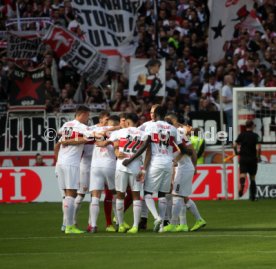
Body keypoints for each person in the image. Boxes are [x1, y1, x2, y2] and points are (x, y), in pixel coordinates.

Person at [122, 106, 192, 232]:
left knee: (147, 193)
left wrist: (131, 159)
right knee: (162, 195)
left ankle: (157, 217)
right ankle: (161, 227)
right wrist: (189, 141)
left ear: (157, 114)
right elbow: (184, 149)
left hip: (155, 163)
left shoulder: (151, 126)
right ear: (165, 114)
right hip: (168, 164)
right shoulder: (172, 129)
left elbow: (144, 146)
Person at [164, 114, 206, 232]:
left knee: (177, 195)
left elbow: (188, 150)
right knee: (182, 196)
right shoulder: (177, 133)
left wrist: (175, 161)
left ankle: (173, 223)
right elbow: (190, 150)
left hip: (183, 168)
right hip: (184, 167)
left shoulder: (177, 133)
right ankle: (186, 223)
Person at [109, 113, 147, 234]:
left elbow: (110, 141)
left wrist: (116, 150)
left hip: (121, 166)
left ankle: (120, 225)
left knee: (120, 195)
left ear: (129, 122)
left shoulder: (120, 132)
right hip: (135, 167)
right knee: (136, 196)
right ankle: (135, 226)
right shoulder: (143, 134)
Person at [55, 105, 91, 234]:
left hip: (60, 163)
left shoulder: (65, 125)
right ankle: (70, 226)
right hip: (71, 163)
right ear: (83, 114)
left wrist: (57, 160)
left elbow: (59, 142)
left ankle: (65, 224)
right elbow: (91, 137)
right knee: (71, 194)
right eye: (88, 116)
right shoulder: (81, 127)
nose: (88, 119)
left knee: (66, 195)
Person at [88, 115, 120, 233]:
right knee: (115, 194)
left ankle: (94, 225)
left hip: (95, 166)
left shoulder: (96, 130)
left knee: (95, 196)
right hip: (109, 165)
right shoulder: (118, 132)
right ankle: (119, 223)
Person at [233, 120, 261, 201]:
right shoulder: (255, 135)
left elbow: (234, 144)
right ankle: (253, 196)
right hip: (252, 158)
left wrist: (236, 152)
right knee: (252, 178)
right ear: (252, 126)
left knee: (242, 174)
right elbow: (258, 147)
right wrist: (258, 157)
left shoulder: (242, 135)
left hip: (243, 158)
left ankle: (242, 186)